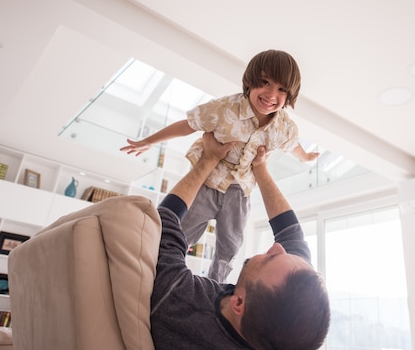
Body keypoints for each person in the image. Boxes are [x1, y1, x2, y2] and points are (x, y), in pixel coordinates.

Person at [121, 49, 319, 282]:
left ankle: (214, 285)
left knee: (230, 247)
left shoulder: (284, 128)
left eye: (281, 89)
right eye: (265, 82)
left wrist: (305, 157)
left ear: (290, 94)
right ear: (249, 81)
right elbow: (188, 125)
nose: (271, 94)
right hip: (208, 181)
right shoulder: (224, 109)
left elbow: (292, 144)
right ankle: (158, 273)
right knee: (180, 232)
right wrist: (148, 141)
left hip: (240, 190)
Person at [150, 132, 330, 349]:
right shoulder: (284, 312)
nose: (277, 247)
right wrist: (261, 169)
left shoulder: (181, 302)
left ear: (238, 303)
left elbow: (164, 222)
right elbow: (291, 234)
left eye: (269, 259)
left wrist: (209, 159)